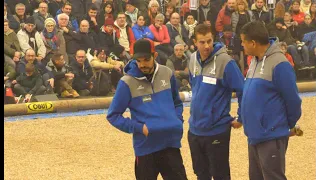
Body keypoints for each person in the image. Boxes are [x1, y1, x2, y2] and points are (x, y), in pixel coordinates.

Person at [107, 39, 188, 180]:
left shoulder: (167, 73)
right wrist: (139, 127)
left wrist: (177, 119)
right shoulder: (126, 82)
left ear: (155, 55)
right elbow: (113, 115)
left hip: (170, 144)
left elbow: (177, 102)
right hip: (145, 148)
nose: (142, 64)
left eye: (146, 59)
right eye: (138, 60)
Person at [240, 20, 302, 180]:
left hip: (271, 136)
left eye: (243, 42)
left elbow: (293, 101)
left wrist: (281, 126)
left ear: (253, 43)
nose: (242, 45)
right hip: (254, 135)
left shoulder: (280, 64)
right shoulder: (254, 60)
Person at [187, 24, 244, 179]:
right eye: (202, 42)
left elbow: (242, 90)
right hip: (195, 129)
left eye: (209, 41)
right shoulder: (192, 59)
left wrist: (241, 117)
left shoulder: (226, 62)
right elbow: (195, 86)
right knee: (201, 174)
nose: (207, 46)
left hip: (217, 129)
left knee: (220, 175)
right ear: (194, 42)